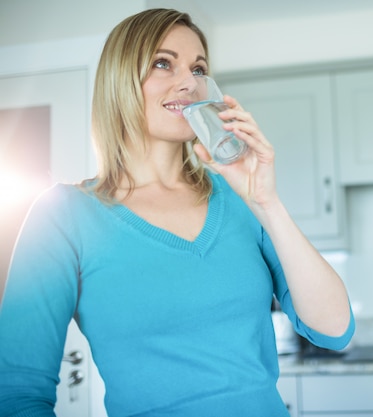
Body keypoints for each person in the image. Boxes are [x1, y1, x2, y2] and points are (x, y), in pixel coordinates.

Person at [0, 8, 354, 417]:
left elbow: (334, 331)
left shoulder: (240, 198)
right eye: (163, 63)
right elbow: (17, 393)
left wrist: (266, 203)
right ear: (119, 79)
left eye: (199, 68)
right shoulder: (62, 216)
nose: (189, 82)